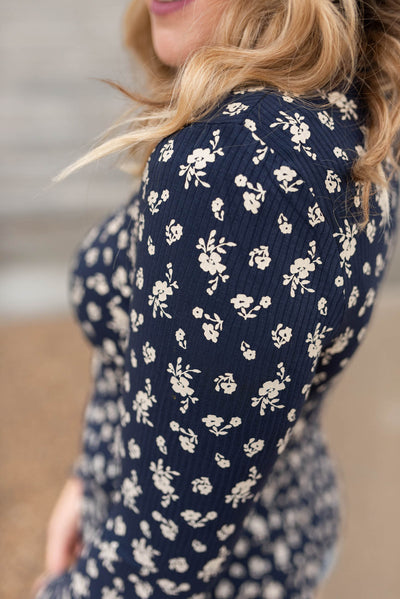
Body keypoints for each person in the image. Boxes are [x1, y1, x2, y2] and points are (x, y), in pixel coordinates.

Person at [32, 1, 400, 598]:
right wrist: (90, 477)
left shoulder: (235, 170)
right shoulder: (353, 95)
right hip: (289, 521)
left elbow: (152, 574)